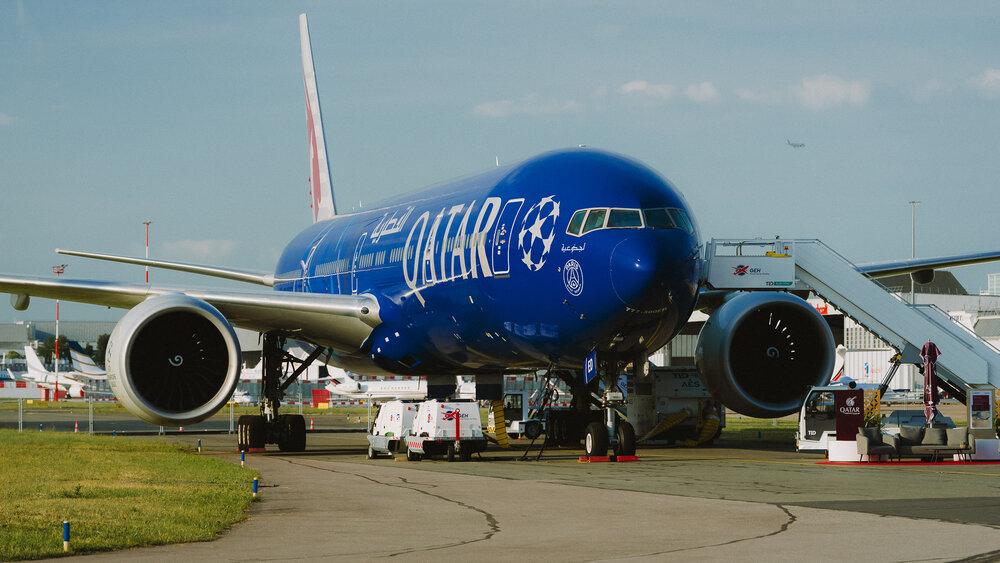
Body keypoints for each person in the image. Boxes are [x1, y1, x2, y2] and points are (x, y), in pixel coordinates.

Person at [921, 340, 942, 425]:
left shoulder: (929, 366)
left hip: (929, 376)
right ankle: (931, 421)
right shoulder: (930, 367)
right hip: (929, 375)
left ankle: (930, 421)